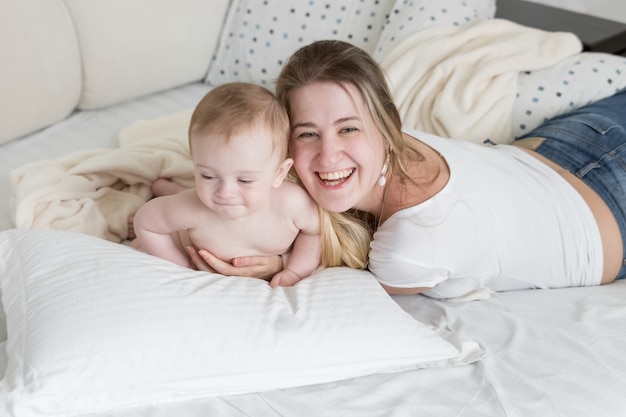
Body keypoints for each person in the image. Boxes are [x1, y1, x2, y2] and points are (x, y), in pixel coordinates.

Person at [186, 40, 626, 300]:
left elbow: (337, 266)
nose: (328, 155)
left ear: (386, 126)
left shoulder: (411, 246)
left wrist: (282, 261)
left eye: (349, 128)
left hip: (612, 211)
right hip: (563, 144)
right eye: (307, 134)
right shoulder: (361, 156)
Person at [132, 82, 358, 287]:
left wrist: (295, 271)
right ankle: (165, 190)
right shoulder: (192, 208)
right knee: (185, 199)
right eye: (208, 176)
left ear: (279, 174)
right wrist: (181, 266)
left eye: (245, 180)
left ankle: (169, 187)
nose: (225, 192)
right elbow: (146, 222)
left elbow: (316, 232)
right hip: (184, 221)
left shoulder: (292, 204)